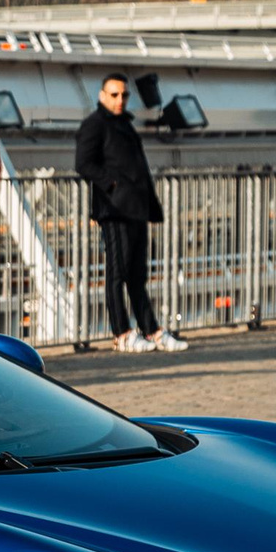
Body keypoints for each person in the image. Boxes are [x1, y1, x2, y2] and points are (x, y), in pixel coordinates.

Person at [75, 73, 184, 353]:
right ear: (102, 96)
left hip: (135, 208)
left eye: (124, 94)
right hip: (114, 209)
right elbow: (83, 163)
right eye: (114, 94)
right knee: (116, 273)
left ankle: (152, 330)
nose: (120, 99)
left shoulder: (125, 124)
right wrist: (112, 184)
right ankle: (122, 333)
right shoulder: (94, 124)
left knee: (137, 274)